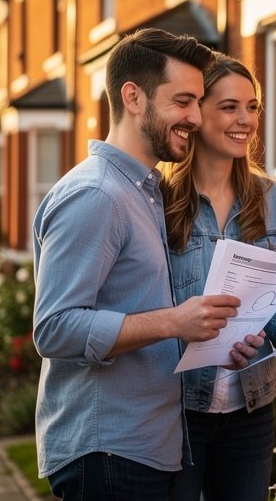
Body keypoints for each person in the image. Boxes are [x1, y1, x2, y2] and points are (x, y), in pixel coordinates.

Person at [31, 28, 263, 499]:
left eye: (199, 103)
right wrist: (174, 322)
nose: (196, 118)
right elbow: (53, 329)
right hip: (111, 454)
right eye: (183, 101)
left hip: (146, 448)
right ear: (133, 98)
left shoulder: (144, 191)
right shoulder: (98, 195)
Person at [162, 52, 276, 501]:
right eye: (229, 107)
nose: (244, 119)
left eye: (252, 107)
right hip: (178, 409)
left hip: (251, 404)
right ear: (196, 112)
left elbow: (274, 295)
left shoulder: (272, 198)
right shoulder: (161, 200)